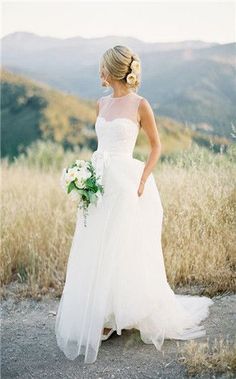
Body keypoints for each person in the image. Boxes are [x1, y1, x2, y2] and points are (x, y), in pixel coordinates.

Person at [55, 45, 214, 364]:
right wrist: (85, 175)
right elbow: (101, 145)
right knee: (96, 244)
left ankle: (125, 312)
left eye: (102, 67)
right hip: (99, 182)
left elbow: (156, 146)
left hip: (127, 184)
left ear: (112, 70)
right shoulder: (100, 103)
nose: (98, 72)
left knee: (123, 246)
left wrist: (142, 181)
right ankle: (103, 314)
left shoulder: (141, 105)